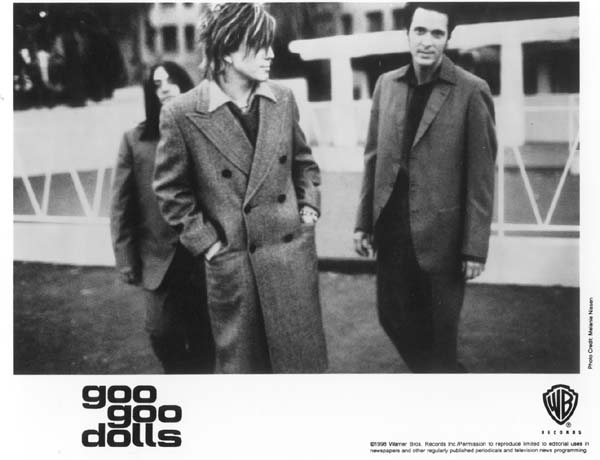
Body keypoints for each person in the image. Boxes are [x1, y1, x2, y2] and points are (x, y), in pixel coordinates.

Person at [153, 3, 327, 374]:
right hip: (235, 265)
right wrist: (209, 245)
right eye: (260, 45)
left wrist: (308, 208)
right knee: (247, 376)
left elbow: (304, 164)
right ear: (228, 50)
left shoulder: (283, 98)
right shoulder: (182, 112)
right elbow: (171, 192)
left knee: (299, 374)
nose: (271, 53)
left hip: (289, 257)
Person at [354, 3, 497, 373]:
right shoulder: (386, 85)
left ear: (448, 38)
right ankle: (445, 378)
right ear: (407, 34)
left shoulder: (471, 91)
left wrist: (474, 248)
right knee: (391, 317)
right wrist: (363, 222)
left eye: (437, 33)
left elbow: (481, 178)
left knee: (438, 332)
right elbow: (373, 158)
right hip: (392, 230)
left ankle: (442, 385)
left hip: (442, 238)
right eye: (420, 31)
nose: (427, 41)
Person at [110, 61, 215, 374]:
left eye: (171, 80)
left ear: (186, 85)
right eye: (157, 84)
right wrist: (125, 259)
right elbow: (121, 206)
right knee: (162, 332)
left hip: (203, 253)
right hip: (159, 256)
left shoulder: (207, 132)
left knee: (205, 331)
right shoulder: (135, 140)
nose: (165, 88)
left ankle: (198, 385)